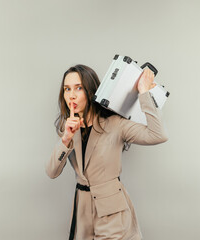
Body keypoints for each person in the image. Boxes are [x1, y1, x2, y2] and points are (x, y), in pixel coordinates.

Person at [46, 64, 168, 240]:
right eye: (67, 89)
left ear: (90, 91)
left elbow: (158, 135)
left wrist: (144, 93)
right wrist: (66, 139)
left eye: (78, 88)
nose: (71, 95)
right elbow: (51, 172)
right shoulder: (68, 128)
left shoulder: (115, 124)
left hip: (112, 211)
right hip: (82, 211)